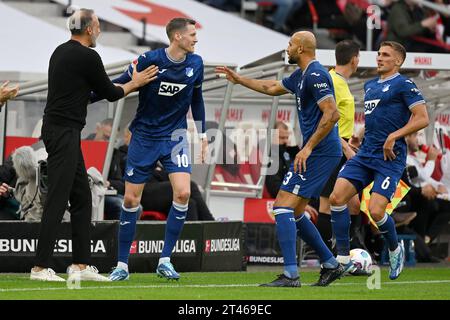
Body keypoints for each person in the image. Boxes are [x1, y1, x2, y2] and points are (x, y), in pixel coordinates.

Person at [30, 8, 158, 282]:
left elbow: (88, 94)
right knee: (58, 197)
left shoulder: (60, 51)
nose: (99, 30)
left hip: (61, 130)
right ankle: (40, 268)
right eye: (98, 25)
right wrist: (135, 82)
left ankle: (81, 264)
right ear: (89, 29)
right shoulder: (88, 56)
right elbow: (111, 94)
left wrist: (128, 81)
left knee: (81, 197)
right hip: (64, 132)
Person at [216, 31, 345, 287]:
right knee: (295, 211)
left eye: (289, 44)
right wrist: (239, 80)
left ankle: (290, 275)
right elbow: (272, 87)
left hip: (320, 151)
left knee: (282, 206)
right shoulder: (301, 74)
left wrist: (307, 148)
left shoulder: (317, 74)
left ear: (300, 48)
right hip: (320, 150)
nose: (287, 48)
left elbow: (332, 114)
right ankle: (330, 264)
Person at [104, 18, 208, 281]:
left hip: (174, 137)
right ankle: (122, 266)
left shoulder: (196, 64)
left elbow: (197, 99)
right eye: (192, 35)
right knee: (130, 201)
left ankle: (165, 260)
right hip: (144, 137)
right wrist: (86, 96)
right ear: (176, 37)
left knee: (184, 193)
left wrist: (203, 133)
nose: (196, 39)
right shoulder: (149, 59)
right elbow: (116, 84)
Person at [329, 41, 430, 281]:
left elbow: (422, 118)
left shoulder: (404, 84)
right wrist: (359, 135)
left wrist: (394, 136)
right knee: (336, 198)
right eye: (378, 54)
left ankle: (395, 250)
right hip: (365, 154)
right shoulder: (370, 85)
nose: (379, 58)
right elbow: (376, 118)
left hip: (390, 158)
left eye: (385, 55)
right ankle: (342, 258)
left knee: (376, 210)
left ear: (398, 61)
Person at [317, 40, 364, 269]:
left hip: (343, 147)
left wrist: (350, 141)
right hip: (330, 149)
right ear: (355, 59)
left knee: (354, 204)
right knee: (327, 205)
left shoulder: (341, 82)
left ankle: (348, 252)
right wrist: (344, 146)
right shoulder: (332, 81)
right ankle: (328, 258)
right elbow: (326, 119)